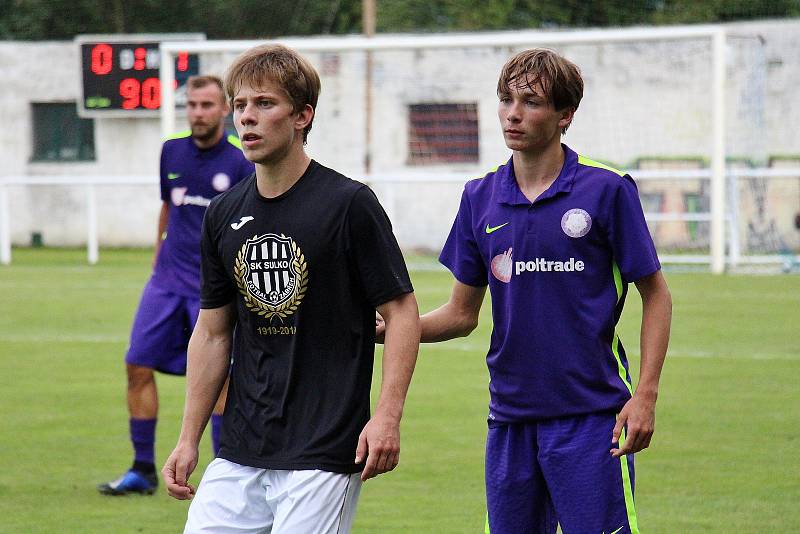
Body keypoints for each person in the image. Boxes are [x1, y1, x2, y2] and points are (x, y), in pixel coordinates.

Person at [392, 49, 672, 533]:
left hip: (592, 415)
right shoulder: (479, 196)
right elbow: (461, 314)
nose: (513, 113)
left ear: (565, 115)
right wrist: (385, 331)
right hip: (510, 416)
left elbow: (657, 294)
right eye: (505, 99)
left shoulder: (606, 189)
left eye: (531, 101)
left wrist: (645, 394)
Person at [161, 44, 420, 534]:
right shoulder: (221, 214)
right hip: (240, 448)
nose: (247, 118)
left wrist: (387, 416)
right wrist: (188, 438)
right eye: (239, 105)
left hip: (324, 451)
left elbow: (402, 311)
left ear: (303, 115)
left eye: (264, 104)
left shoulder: (349, 205)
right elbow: (213, 333)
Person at [98, 75, 254, 496]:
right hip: (166, 282)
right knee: (136, 364)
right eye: (192, 105)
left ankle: (224, 477)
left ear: (224, 110)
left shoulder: (241, 162)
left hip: (213, 288)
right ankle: (142, 470)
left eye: (207, 105)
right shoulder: (171, 149)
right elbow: (169, 208)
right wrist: (156, 263)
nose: (198, 112)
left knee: (220, 378)